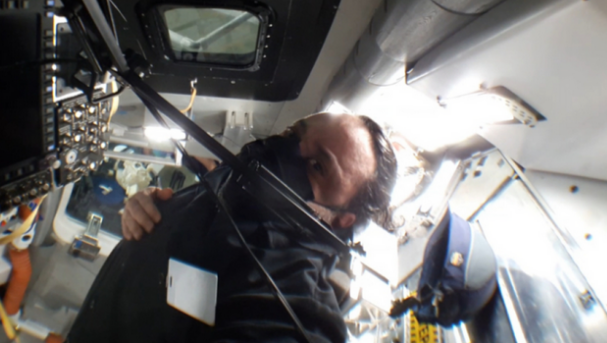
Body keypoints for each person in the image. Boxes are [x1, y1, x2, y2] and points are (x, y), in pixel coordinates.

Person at [66, 113, 397, 343]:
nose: (285, 151)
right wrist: (150, 208)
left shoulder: (293, 295)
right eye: (294, 133)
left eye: (318, 166)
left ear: (341, 219)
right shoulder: (239, 184)